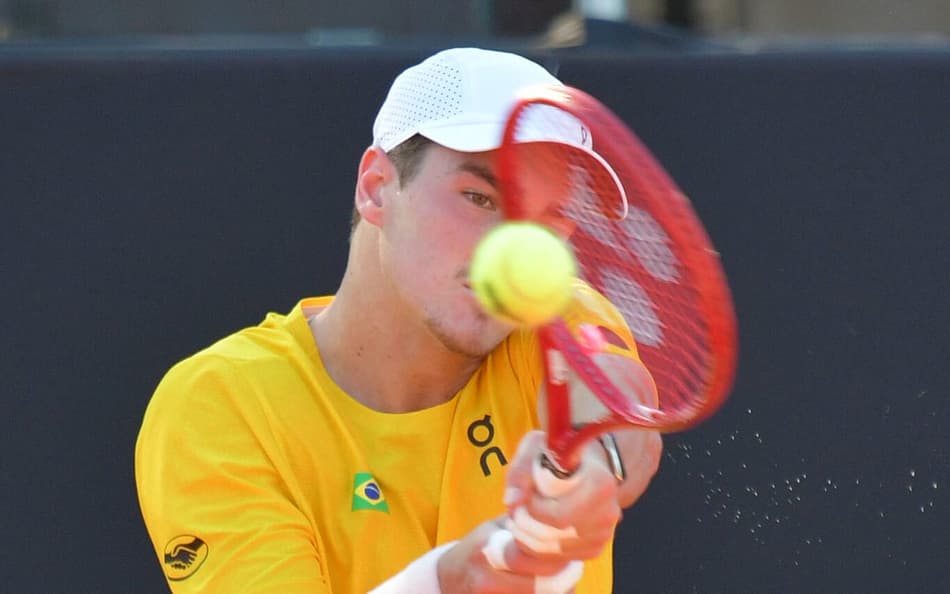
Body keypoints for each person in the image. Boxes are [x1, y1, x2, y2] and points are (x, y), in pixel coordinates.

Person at [135, 47, 662, 594]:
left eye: (547, 223)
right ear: (376, 187)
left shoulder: (557, 318)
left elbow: (619, 411)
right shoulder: (219, 404)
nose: (514, 251)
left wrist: (592, 470)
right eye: (480, 198)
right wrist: (444, 581)